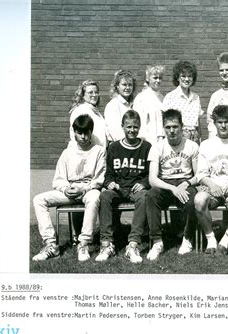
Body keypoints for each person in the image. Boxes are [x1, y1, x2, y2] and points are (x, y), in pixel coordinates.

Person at [32, 115, 106, 262]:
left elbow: (99, 179)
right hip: (69, 191)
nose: (84, 137)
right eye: (80, 133)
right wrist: (66, 189)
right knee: (39, 199)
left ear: (91, 132)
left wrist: (83, 189)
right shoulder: (67, 152)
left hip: (88, 190)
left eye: (87, 132)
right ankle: (51, 245)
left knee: (95, 197)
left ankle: (83, 243)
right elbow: (58, 179)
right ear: (74, 133)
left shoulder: (99, 150)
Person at [95, 110, 152, 263]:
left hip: (136, 189)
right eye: (128, 127)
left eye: (135, 127)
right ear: (122, 127)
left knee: (145, 196)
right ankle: (106, 244)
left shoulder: (146, 147)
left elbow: (151, 174)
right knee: (104, 195)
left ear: (139, 127)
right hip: (119, 189)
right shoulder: (114, 147)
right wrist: (110, 183)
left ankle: (133, 244)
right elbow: (108, 174)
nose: (132, 130)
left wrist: (144, 183)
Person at [195, 105, 228, 255]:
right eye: (220, 122)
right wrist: (211, 185)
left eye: (226, 121)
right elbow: (201, 174)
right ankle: (211, 240)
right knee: (199, 200)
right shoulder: (207, 145)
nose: (223, 125)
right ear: (214, 123)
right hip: (212, 187)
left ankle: (225, 241)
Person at [144, 109, 199, 260]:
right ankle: (157, 241)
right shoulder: (157, 147)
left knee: (192, 199)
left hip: (185, 182)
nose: (172, 131)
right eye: (168, 127)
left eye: (175, 126)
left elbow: (198, 175)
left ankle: (187, 238)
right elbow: (152, 179)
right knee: (151, 196)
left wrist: (186, 184)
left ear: (182, 126)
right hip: (166, 184)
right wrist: (172, 188)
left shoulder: (192, 146)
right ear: (164, 128)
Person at [162, 61, 203, 144]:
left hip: (194, 137)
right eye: (183, 76)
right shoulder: (170, 97)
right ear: (177, 77)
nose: (187, 79)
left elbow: (198, 123)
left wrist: (200, 139)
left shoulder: (196, 97)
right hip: (178, 136)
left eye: (190, 76)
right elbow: (164, 121)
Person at [69, 79, 108, 149]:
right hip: (86, 154)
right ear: (83, 95)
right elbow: (76, 135)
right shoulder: (80, 110)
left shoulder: (95, 112)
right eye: (90, 92)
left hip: (98, 152)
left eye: (96, 92)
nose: (94, 95)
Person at [133, 65, 166, 145]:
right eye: (155, 78)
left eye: (160, 78)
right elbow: (139, 122)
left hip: (162, 140)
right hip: (148, 140)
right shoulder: (141, 98)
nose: (158, 80)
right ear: (148, 78)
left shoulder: (163, 98)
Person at [105, 70, 136, 143]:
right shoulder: (113, 105)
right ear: (117, 86)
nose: (127, 88)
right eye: (124, 84)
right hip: (120, 146)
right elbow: (115, 132)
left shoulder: (133, 104)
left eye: (130, 85)